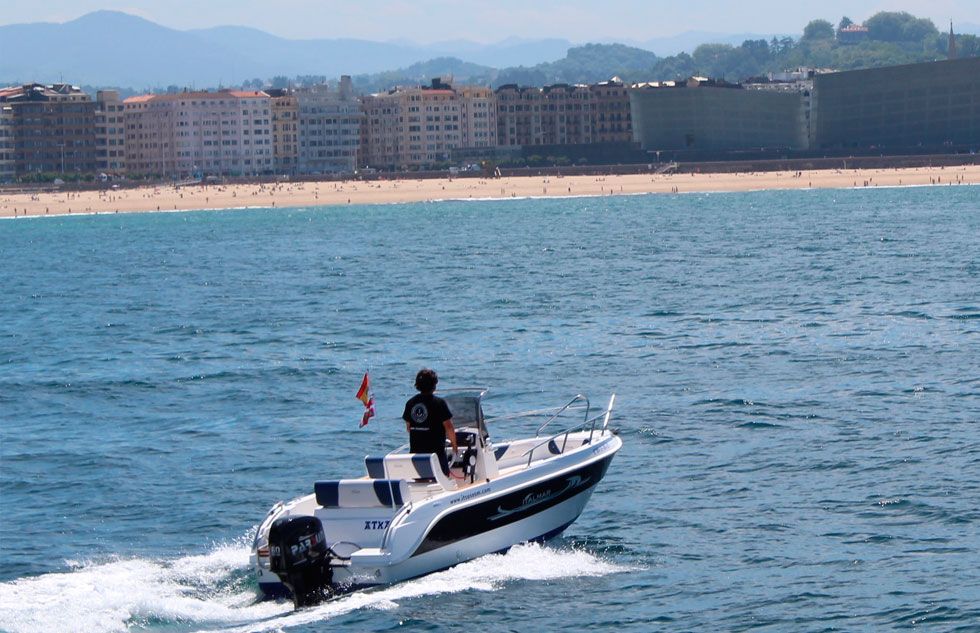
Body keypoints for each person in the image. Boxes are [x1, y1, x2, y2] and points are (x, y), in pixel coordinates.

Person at [402, 369, 458, 475]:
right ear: (434, 385)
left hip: (416, 452)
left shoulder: (410, 403)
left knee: (419, 476)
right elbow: (449, 427)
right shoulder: (439, 403)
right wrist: (455, 445)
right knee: (443, 475)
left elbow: (409, 427)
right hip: (436, 453)